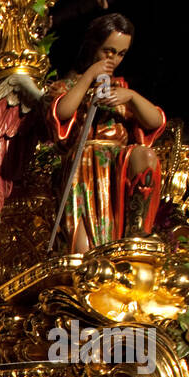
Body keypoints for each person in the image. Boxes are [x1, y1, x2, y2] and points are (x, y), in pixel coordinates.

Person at [48, 13, 165, 254]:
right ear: (93, 45)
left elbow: (155, 121)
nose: (114, 59)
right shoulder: (68, 86)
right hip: (83, 168)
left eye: (121, 54)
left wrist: (131, 98)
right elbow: (61, 112)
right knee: (83, 249)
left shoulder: (121, 90)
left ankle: (136, 234)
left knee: (145, 156)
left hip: (115, 170)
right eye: (108, 51)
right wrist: (89, 76)